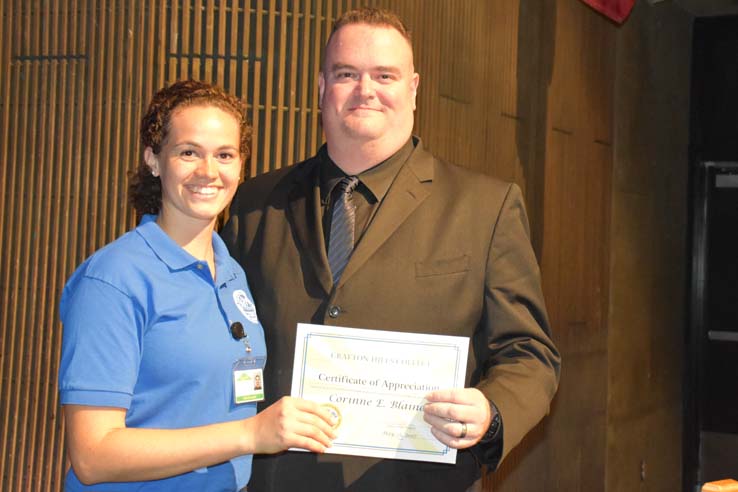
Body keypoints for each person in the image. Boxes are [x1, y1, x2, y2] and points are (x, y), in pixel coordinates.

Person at [222, 7, 561, 492]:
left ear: (414, 89)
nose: (366, 90)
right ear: (321, 87)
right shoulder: (255, 204)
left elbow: (530, 354)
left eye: (385, 75)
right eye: (346, 74)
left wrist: (492, 410)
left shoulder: (486, 207)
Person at [58, 80, 337, 491]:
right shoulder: (114, 280)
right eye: (188, 152)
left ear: (241, 166)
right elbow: (93, 455)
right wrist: (249, 435)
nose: (208, 172)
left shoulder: (232, 273)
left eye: (225, 155)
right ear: (154, 159)